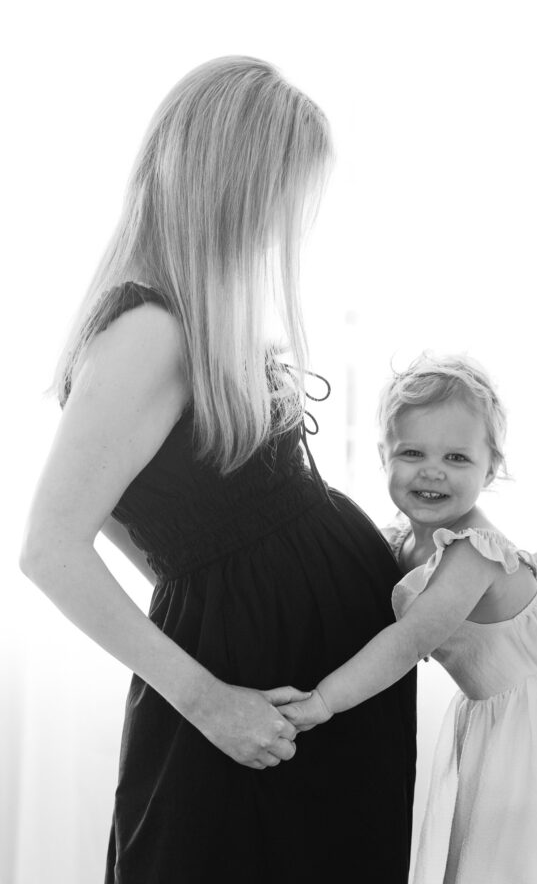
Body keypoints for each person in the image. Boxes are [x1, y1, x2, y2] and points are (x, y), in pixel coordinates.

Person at [19, 56, 416, 884]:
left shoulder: (197, 315)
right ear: (230, 183)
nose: (286, 223)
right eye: (283, 195)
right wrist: (207, 695)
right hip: (246, 696)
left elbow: (148, 517)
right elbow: (51, 548)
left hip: (302, 683)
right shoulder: (151, 329)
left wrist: (234, 577)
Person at [279, 352, 537, 884]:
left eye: (457, 459)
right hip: (509, 708)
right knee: (501, 848)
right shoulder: (402, 541)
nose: (432, 471)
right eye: (413, 452)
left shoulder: (471, 554)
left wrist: (324, 701)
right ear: (384, 456)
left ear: (491, 468)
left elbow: (406, 643)